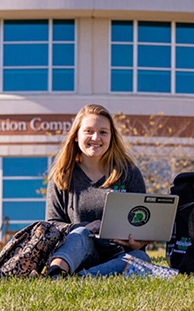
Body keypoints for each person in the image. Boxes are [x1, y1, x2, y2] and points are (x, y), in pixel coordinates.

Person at [43, 104, 153, 277]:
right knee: (80, 234)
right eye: (88, 131)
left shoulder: (129, 173)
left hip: (117, 253)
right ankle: (55, 273)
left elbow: (141, 222)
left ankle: (81, 278)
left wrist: (136, 243)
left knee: (141, 258)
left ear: (111, 137)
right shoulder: (62, 176)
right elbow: (52, 226)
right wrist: (87, 227)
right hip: (77, 253)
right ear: (76, 137)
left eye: (103, 132)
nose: (96, 137)